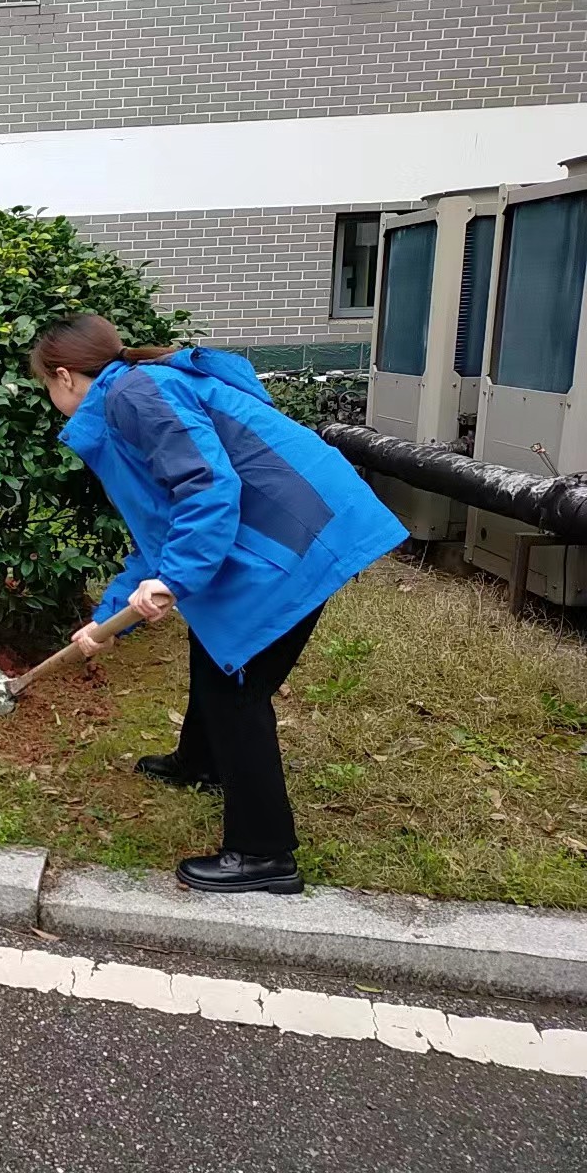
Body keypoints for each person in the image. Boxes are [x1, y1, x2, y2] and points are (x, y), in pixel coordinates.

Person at [30, 314, 407, 894]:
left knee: (237, 691)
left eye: (45, 388)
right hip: (279, 530)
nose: (50, 399)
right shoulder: (131, 391)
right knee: (217, 653)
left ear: (63, 376)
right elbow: (160, 527)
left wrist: (175, 580)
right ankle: (200, 763)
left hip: (295, 537)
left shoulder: (135, 393)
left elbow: (207, 486)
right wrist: (107, 620)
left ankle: (264, 854)